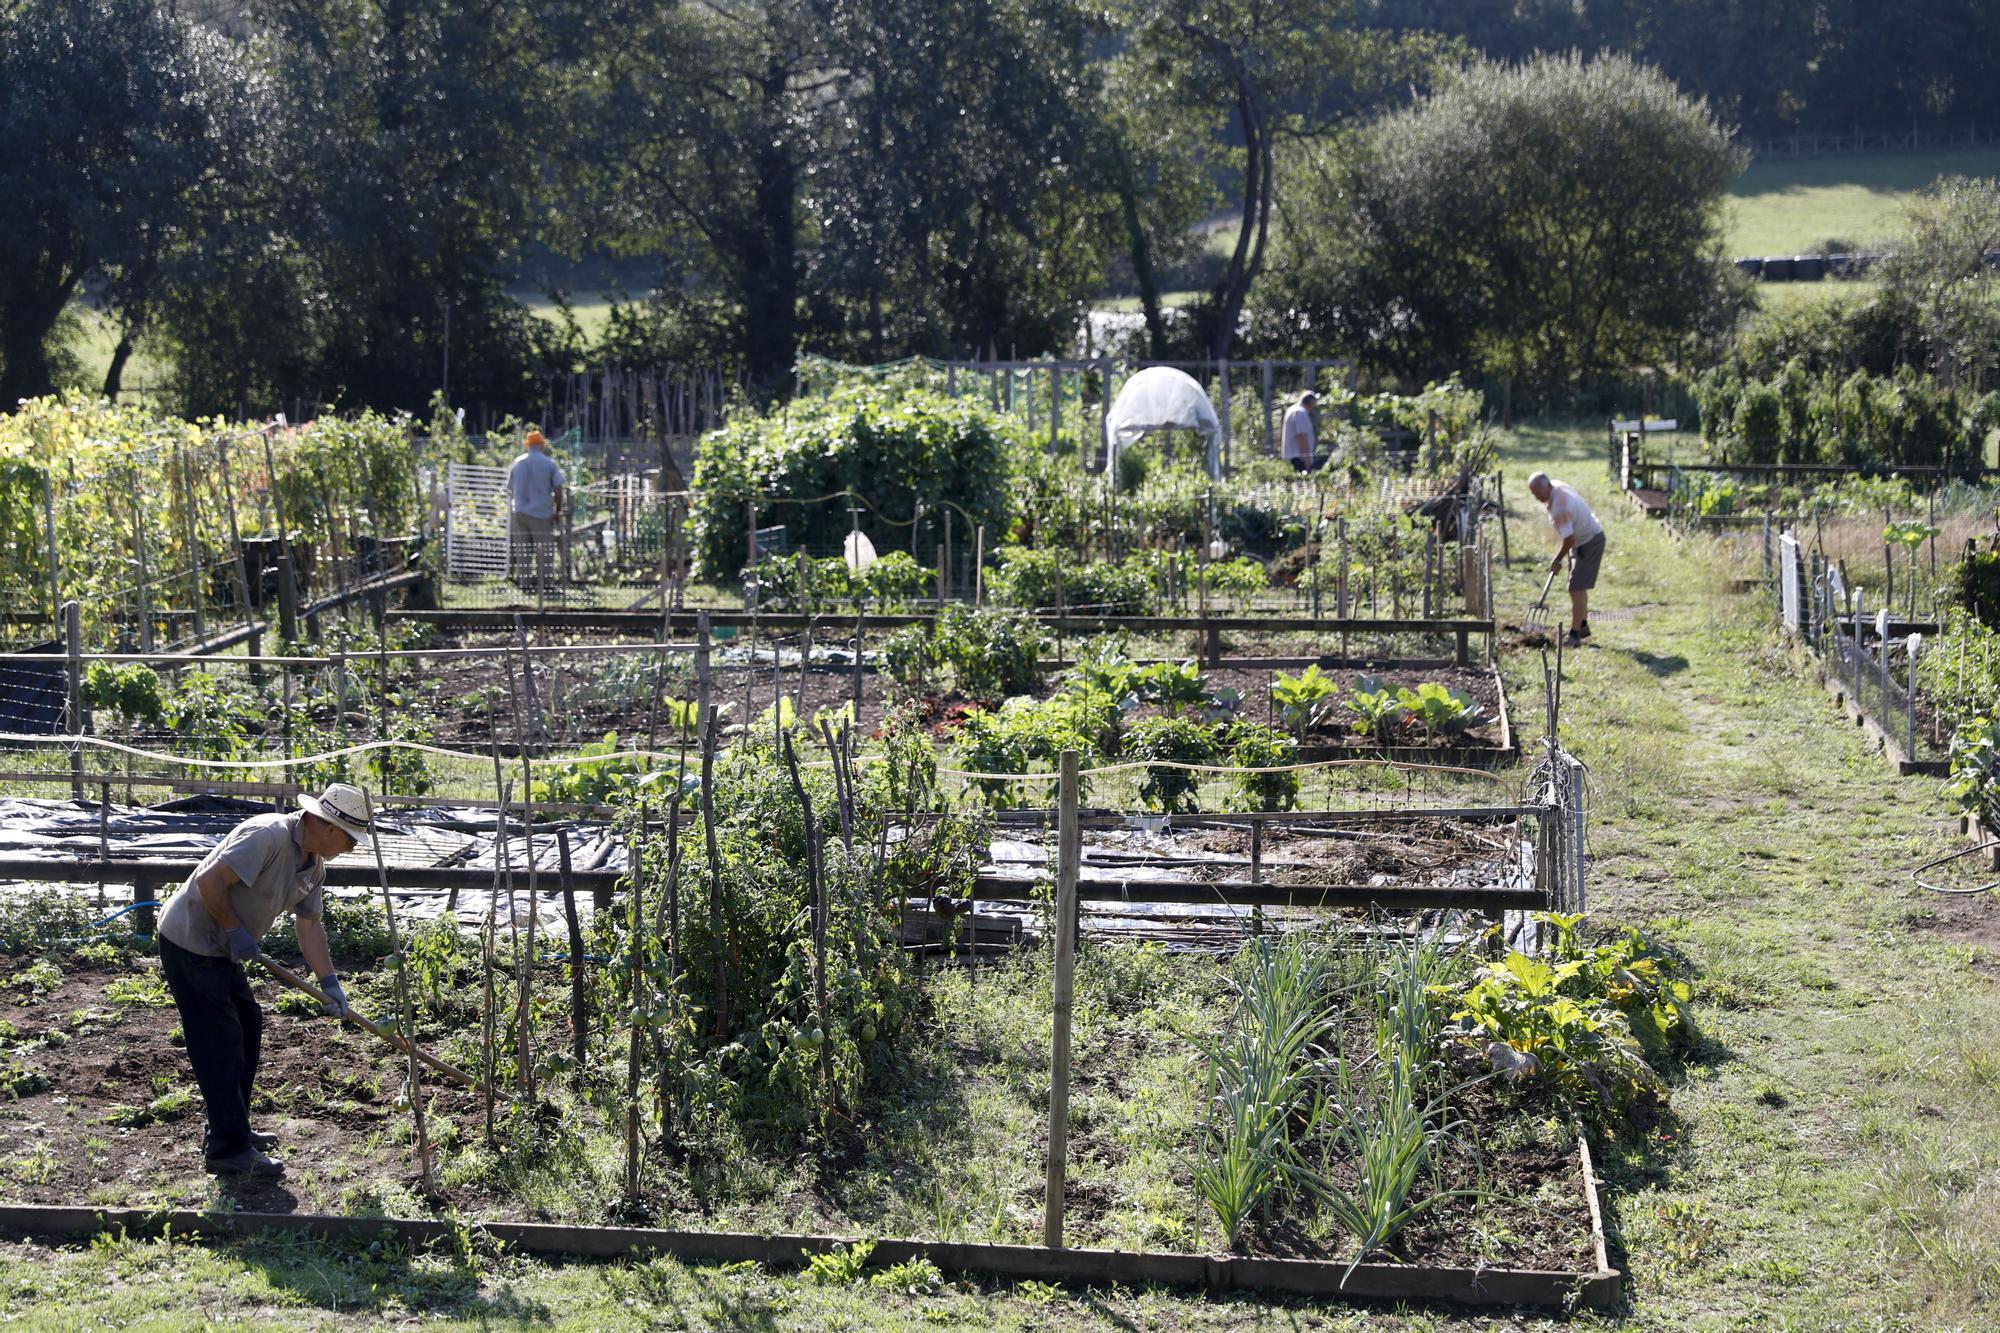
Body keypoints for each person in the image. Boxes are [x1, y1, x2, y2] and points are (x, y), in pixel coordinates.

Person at [155, 783, 373, 1176]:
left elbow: (308, 926)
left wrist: (329, 982)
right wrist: (234, 930)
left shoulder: (313, 864)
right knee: (220, 1045)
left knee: (247, 1030)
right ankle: (227, 1150)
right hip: (191, 942)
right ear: (327, 826)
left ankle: (231, 1128)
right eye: (350, 839)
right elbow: (209, 882)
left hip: (221, 949)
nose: (351, 848)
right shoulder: (267, 836)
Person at [1527, 472, 1606, 647]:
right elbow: (1570, 538)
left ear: (1547, 486)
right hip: (1581, 539)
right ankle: (1583, 628)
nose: (1537, 497)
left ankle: (1575, 635)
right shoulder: (1556, 486)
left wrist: (1557, 559)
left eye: (1539, 493)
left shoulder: (1560, 509)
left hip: (1589, 541)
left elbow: (1569, 539)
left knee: (1576, 588)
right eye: (1534, 494)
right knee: (1576, 588)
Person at [505, 429, 565, 587]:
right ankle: (545, 584)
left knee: (523, 550)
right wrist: (557, 511)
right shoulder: (549, 463)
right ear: (542, 446)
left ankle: (524, 583)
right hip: (541, 513)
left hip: (519, 512)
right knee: (545, 551)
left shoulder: (518, 462)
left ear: (528, 445)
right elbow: (558, 491)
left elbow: (509, 489)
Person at [1281, 391, 1319, 472]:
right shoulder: (1300, 413)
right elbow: (1301, 437)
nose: (1314, 407)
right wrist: (1308, 460)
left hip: (1292, 458)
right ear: (1311, 402)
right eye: (1314, 404)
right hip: (1299, 460)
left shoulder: (1292, 410)